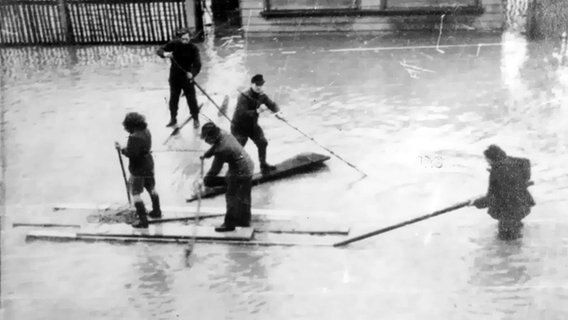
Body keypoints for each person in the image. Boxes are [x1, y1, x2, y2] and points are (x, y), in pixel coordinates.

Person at [199, 122, 254, 232]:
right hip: (248, 164)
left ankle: (229, 224)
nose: (206, 141)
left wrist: (204, 180)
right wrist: (207, 154)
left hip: (240, 170)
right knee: (244, 194)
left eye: (206, 139)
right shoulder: (223, 133)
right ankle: (244, 220)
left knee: (231, 196)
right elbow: (215, 145)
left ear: (213, 136)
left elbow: (215, 170)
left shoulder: (222, 149)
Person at [472, 145, 535, 236]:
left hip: (508, 212)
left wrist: (476, 203)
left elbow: (492, 198)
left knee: (507, 242)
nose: (487, 162)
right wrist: (524, 179)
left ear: (492, 159)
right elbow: (526, 162)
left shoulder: (497, 173)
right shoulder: (513, 162)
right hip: (522, 205)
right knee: (516, 234)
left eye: (487, 159)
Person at [115, 112, 162, 228]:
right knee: (151, 188)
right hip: (149, 164)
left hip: (138, 168)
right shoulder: (146, 131)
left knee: (135, 193)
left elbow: (132, 153)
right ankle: (157, 211)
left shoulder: (133, 137)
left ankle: (143, 221)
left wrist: (121, 149)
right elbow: (139, 149)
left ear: (131, 125)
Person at [231, 74, 283, 174]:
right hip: (239, 127)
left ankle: (263, 165)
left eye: (261, 84)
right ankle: (233, 171)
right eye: (257, 85)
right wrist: (257, 111)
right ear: (252, 85)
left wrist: (278, 112)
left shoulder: (262, 96)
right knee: (238, 150)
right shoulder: (243, 97)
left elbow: (272, 105)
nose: (259, 87)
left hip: (252, 126)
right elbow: (242, 113)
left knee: (263, 143)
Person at [157, 27, 202, 129]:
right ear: (179, 39)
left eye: (187, 39)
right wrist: (164, 54)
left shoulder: (193, 48)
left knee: (191, 99)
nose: (185, 41)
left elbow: (198, 64)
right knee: (173, 99)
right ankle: (173, 118)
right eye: (183, 39)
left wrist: (193, 73)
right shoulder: (174, 44)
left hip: (187, 77)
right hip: (174, 78)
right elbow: (160, 50)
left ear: (190, 38)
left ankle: (195, 118)